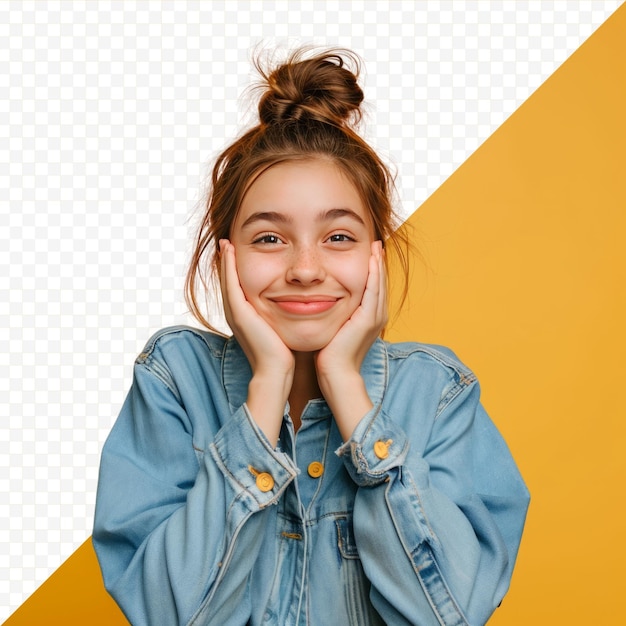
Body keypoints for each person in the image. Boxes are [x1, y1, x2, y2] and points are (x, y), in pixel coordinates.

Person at [93, 48, 530, 626]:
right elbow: (168, 615)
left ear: (378, 252)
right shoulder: (173, 379)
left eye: (339, 237)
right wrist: (267, 385)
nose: (304, 268)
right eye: (270, 239)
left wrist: (347, 388)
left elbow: (446, 614)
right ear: (226, 256)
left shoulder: (438, 392)